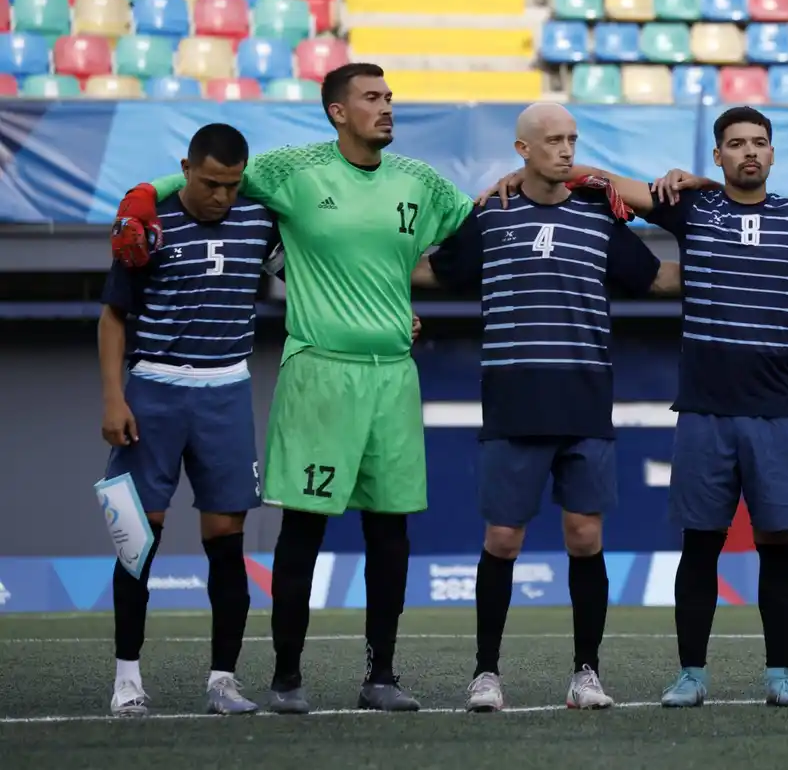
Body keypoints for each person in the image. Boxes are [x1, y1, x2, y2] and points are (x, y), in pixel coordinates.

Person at [108, 63, 478, 715]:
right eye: (371, 98)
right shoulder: (293, 171)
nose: (386, 107)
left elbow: (474, 228)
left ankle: (381, 675)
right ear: (337, 111)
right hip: (319, 375)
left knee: (391, 531)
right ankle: (284, 676)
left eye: (389, 97)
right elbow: (207, 174)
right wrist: (144, 192)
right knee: (303, 527)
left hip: (393, 375)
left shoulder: (419, 182)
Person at [494, 106, 788, 707]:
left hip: (777, 415)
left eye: (758, 143)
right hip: (704, 413)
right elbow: (602, 181)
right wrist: (516, 178)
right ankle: (692, 673)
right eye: (735, 143)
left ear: (772, 155)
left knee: (778, 545)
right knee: (701, 545)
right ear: (717, 156)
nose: (748, 152)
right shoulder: (694, 211)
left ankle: (781, 675)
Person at [412, 103, 678, 714]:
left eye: (572, 139)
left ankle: (587, 673)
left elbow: (655, 279)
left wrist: (739, 259)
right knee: (502, 539)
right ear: (521, 151)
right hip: (513, 402)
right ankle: (486, 673)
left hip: (585, 401)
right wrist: (358, 278)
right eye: (553, 141)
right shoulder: (491, 217)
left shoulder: (600, 218)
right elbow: (434, 270)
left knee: (585, 538)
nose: (566, 150)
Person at [99, 123, 279, 718]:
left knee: (226, 541)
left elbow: (315, 278)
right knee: (135, 539)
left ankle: (223, 680)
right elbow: (113, 317)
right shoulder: (148, 224)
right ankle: (128, 678)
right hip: (153, 388)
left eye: (231, 185)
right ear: (186, 168)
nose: (221, 197)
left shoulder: (261, 219)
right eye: (209, 183)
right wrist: (112, 398)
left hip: (225, 390)